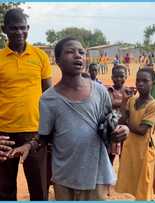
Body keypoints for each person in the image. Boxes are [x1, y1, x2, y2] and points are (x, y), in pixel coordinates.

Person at [9, 37, 128, 200]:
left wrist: (122, 130)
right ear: (57, 60)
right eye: (70, 52)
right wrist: (30, 146)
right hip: (64, 178)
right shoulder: (48, 99)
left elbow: (110, 124)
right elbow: (45, 136)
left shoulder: (100, 92)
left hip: (96, 176)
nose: (78, 56)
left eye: (81, 52)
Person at [0, 8, 52, 200]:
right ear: (4, 29)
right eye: (14, 28)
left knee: (39, 187)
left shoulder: (40, 56)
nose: (19, 33)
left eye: (23, 28)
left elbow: (48, 95)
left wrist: (49, 129)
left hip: (35, 133)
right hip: (4, 134)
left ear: (28, 28)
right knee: (4, 189)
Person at [115, 68, 155, 200]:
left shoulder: (153, 105)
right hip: (130, 149)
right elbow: (122, 120)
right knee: (133, 184)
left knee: (143, 186)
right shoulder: (132, 100)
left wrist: (127, 122)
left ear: (153, 83)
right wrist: (124, 101)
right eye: (138, 80)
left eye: (145, 81)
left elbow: (142, 130)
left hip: (144, 151)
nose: (140, 84)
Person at [107, 64, 135, 163]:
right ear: (112, 77)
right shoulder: (109, 90)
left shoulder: (128, 91)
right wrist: (125, 101)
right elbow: (110, 104)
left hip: (125, 128)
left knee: (124, 158)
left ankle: (123, 177)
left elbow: (132, 107)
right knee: (110, 156)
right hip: (112, 128)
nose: (119, 79)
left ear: (126, 77)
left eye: (122, 76)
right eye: (116, 76)